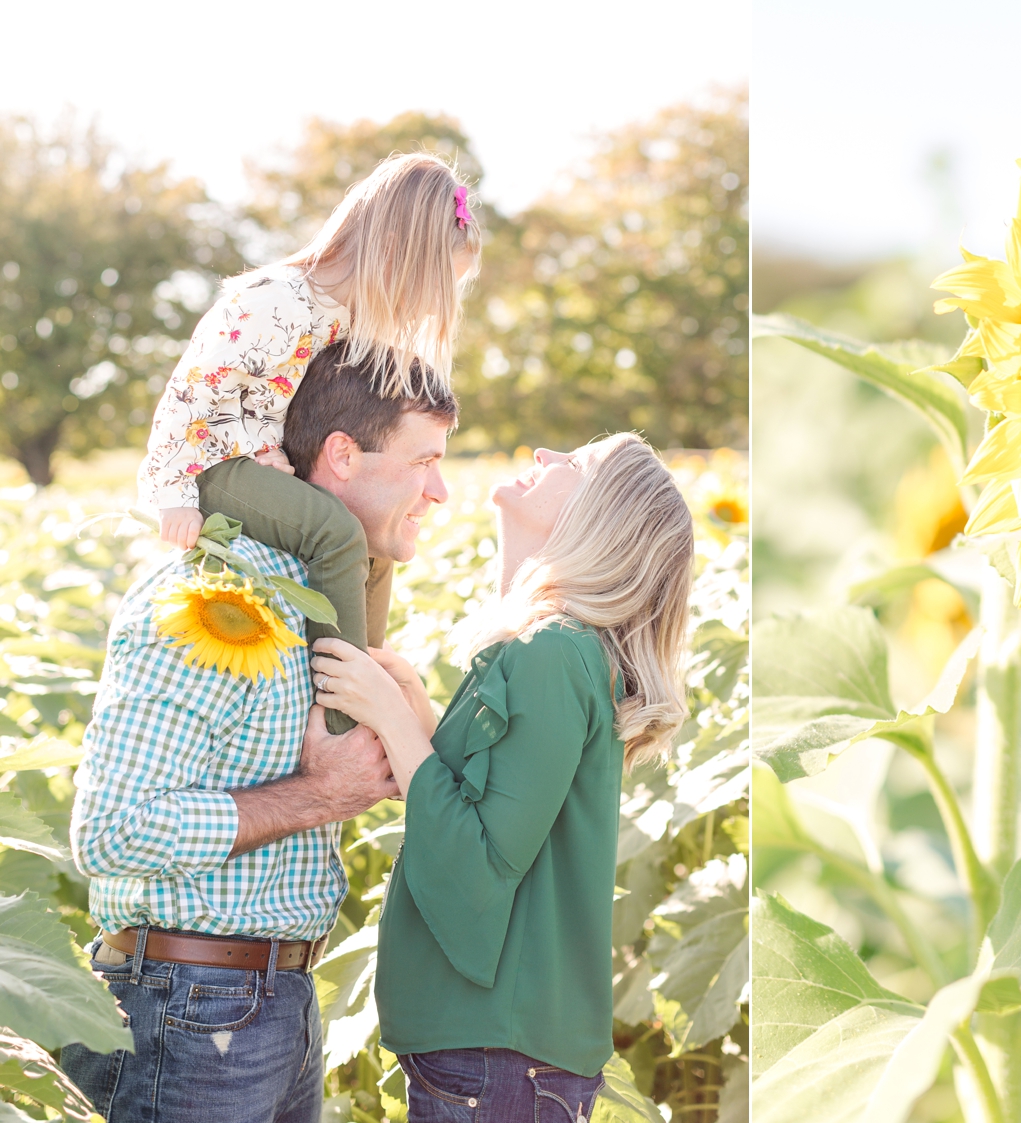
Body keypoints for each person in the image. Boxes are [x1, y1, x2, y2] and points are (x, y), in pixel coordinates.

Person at [62, 343, 458, 1123]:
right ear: (342, 454)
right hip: (182, 1010)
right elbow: (110, 831)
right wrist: (317, 794)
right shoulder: (210, 601)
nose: (440, 492)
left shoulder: (318, 597)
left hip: (273, 1003)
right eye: (424, 461)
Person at [312, 433, 695, 1123]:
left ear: (598, 517)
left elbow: (481, 864)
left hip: (496, 1057)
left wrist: (390, 720)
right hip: (499, 1055)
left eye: (574, 464)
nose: (545, 453)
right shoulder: (548, 647)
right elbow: (504, 812)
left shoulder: (550, 653)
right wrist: (423, 724)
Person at [137, 152, 480, 730]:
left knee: (374, 536)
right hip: (210, 463)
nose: (429, 304)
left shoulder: (346, 319)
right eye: (436, 284)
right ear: (397, 252)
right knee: (334, 532)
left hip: (267, 464)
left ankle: (368, 669)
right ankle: (341, 719)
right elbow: (188, 396)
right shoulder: (275, 301)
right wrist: (171, 490)